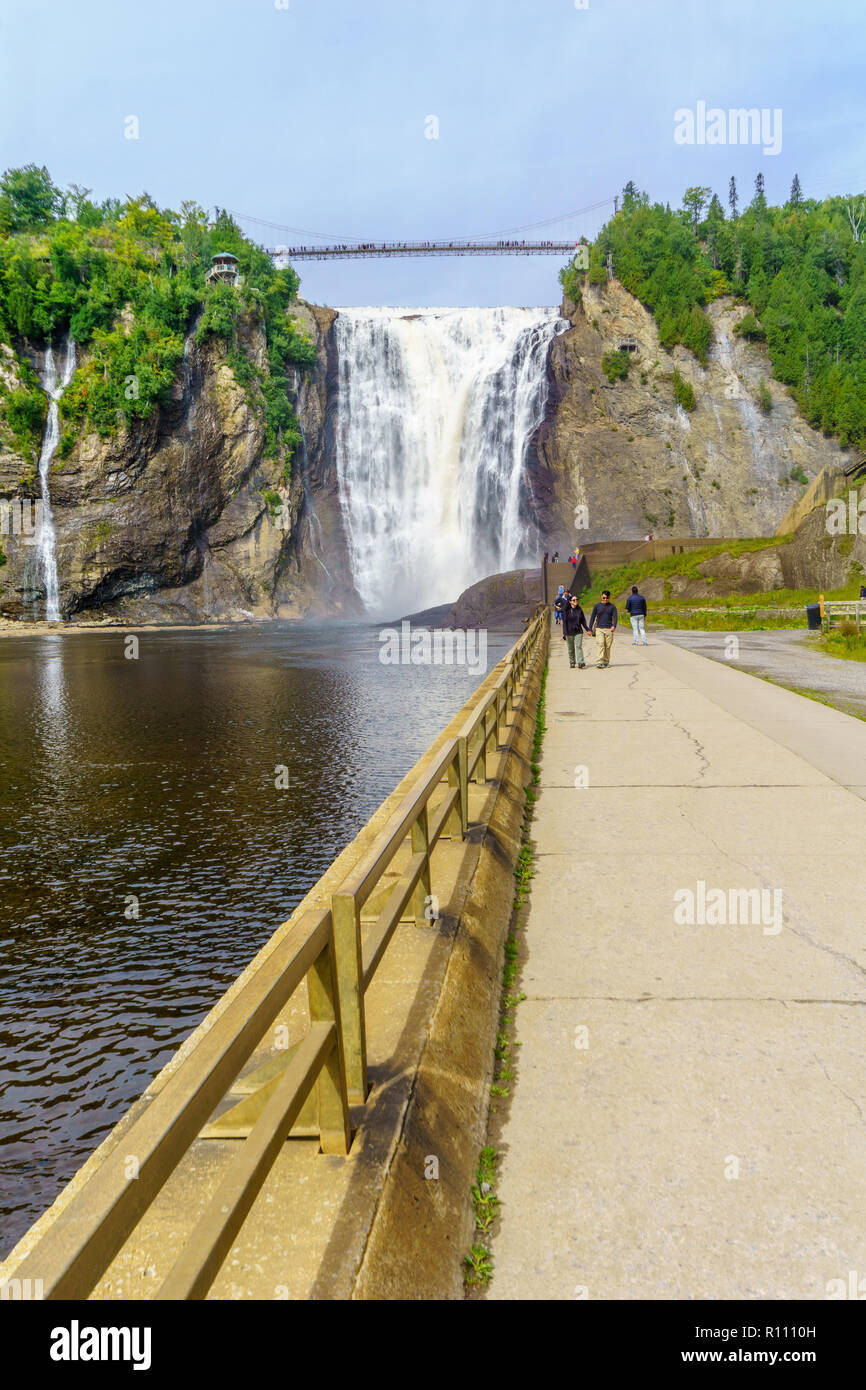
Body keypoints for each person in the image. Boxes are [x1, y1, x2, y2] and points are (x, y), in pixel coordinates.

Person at [588, 589, 618, 668]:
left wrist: (614, 626)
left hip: (609, 629)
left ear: (609, 597)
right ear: (601, 597)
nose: (605, 599)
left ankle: (606, 662)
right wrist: (589, 629)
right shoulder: (597, 606)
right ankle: (600, 661)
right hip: (599, 629)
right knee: (600, 644)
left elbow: (615, 617)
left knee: (607, 646)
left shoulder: (612, 607)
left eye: (607, 598)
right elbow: (592, 618)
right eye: (604, 598)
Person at [562, 594, 590, 668]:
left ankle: (580, 662)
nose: (576, 601)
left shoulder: (579, 609)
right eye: (574, 600)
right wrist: (565, 633)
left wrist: (588, 629)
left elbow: (583, 621)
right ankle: (572, 661)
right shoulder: (566, 611)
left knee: (579, 646)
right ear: (570, 601)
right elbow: (564, 623)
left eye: (577, 600)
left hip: (578, 631)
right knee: (571, 648)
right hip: (569, 632)